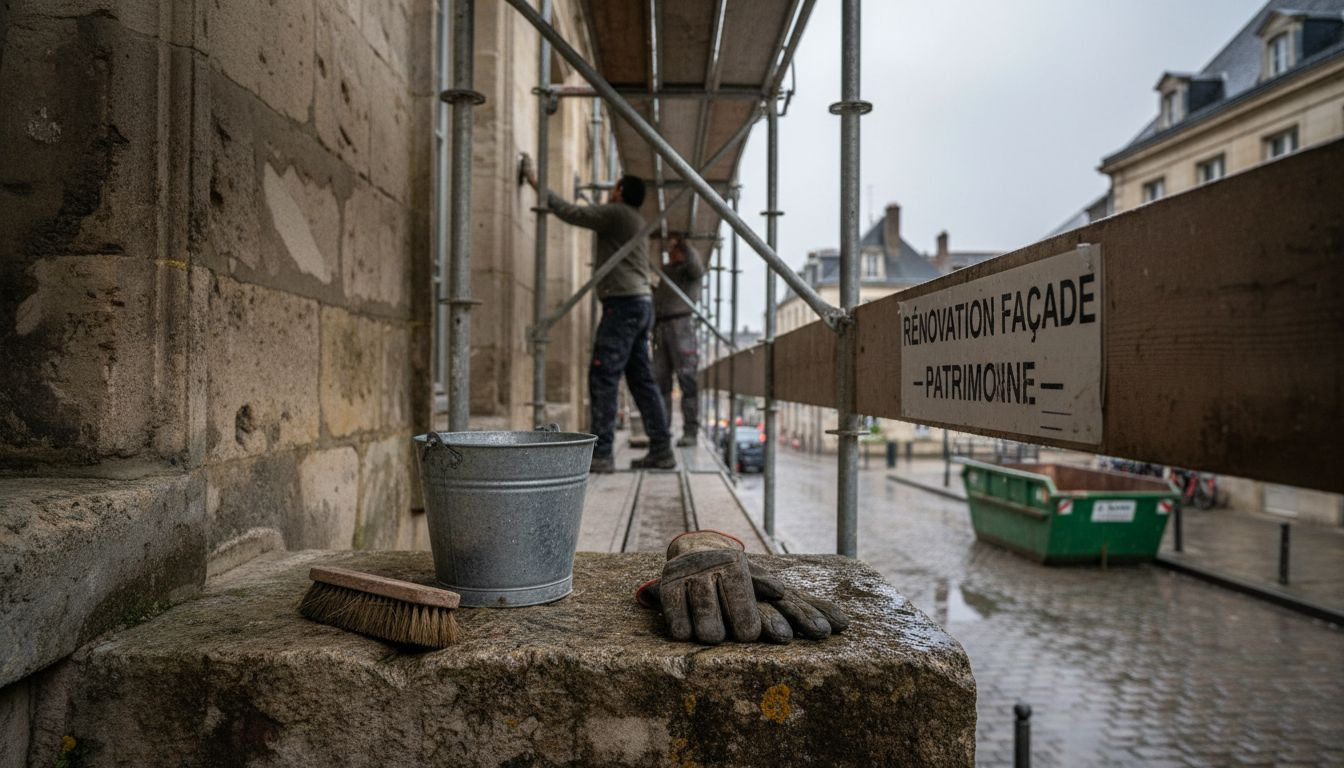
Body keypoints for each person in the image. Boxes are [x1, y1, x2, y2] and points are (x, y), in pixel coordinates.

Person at [521, 154, 674, 473]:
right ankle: (662, 449)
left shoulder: (617, 214)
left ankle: (602, 453)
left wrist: (537, 182)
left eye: (613, 187)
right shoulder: (634, 220)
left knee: (603, 375)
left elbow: (571, 212)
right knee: (641, 379)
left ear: (619, 190)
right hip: (639, 304)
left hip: (624, 305)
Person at [651, 236, 704, 446]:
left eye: (675, 250)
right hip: (661, 327)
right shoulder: (667, 271)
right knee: (660, 382)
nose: (670, 253)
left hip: (681, 325)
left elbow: (697, 267)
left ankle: (690, 431)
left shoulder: (688, 272)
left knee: (687, 380)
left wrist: (687, 245)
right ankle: (662, 433)